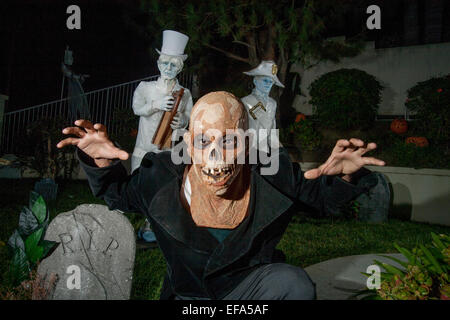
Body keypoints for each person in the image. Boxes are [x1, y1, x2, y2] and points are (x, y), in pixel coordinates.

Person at [57, 91, 385, 300]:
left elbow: (321, 198)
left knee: (294, 283)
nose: (216, 154)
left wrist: (346, 173)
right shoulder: (162, 175)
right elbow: (118, 194)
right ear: (187, 143)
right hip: (189, 298)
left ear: (248, 143)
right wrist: (99, 159)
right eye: (204, 141)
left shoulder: (273, 173)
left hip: (250, 289)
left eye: (229, 141)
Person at [131, 30, 193, 243]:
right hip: (145, 148)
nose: (168, 68)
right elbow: (136, 108)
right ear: (158, 64)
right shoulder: (145, 88)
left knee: (163, 188)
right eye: (165, 63)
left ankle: (154, 225)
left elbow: (189, 117)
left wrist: (182, 122)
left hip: (167, 151)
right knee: (141, 186)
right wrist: (156, 105)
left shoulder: (184, 93)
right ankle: (142, 221)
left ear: (180, 68)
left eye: (173, 65)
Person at [241, 60, 284, 150]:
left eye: (271, 81)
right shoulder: (246, 101)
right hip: (248, 150)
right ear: (255, 81)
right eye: (265, 80)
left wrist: (279, 149)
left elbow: (272, 129)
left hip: (265, 151)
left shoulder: (272, 103)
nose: (268, 84)